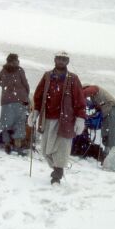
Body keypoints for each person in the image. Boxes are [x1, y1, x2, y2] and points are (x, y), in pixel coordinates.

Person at [28, 51, 86, 185]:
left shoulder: (73, 78)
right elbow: (38, 96)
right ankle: (56, 168)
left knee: (61, 148)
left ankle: (58, 173)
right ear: (54, 60)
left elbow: (79, 100)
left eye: (64, 59)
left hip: (65, 120)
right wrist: (35, 112)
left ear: (68, 62)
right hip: (47, 118)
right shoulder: (47, 76)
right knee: (45, 150)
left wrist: (80, 118)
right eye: (59, 58)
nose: (61, 61)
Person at [0, 53, 30, 156]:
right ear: (13, 61)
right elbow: (26, 85)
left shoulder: (3, 71)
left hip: (6, 101)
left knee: (6, 124)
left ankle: (7, 144)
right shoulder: (20, 70)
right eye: (17, 60)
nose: (18, 62)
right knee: (19, 124)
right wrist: (26, 97)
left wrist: (3, 84)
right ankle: (17, 147)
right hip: (19, 100)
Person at [83, 85, 115, 154]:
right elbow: (93, 105)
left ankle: (114, 155)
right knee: (105, 134)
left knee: (111, 135)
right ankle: (107, 153)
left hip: (112, 110)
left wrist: (78, 94)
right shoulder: (93, 97)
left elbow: (85, 93)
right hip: (106, 113)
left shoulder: (94, 88)